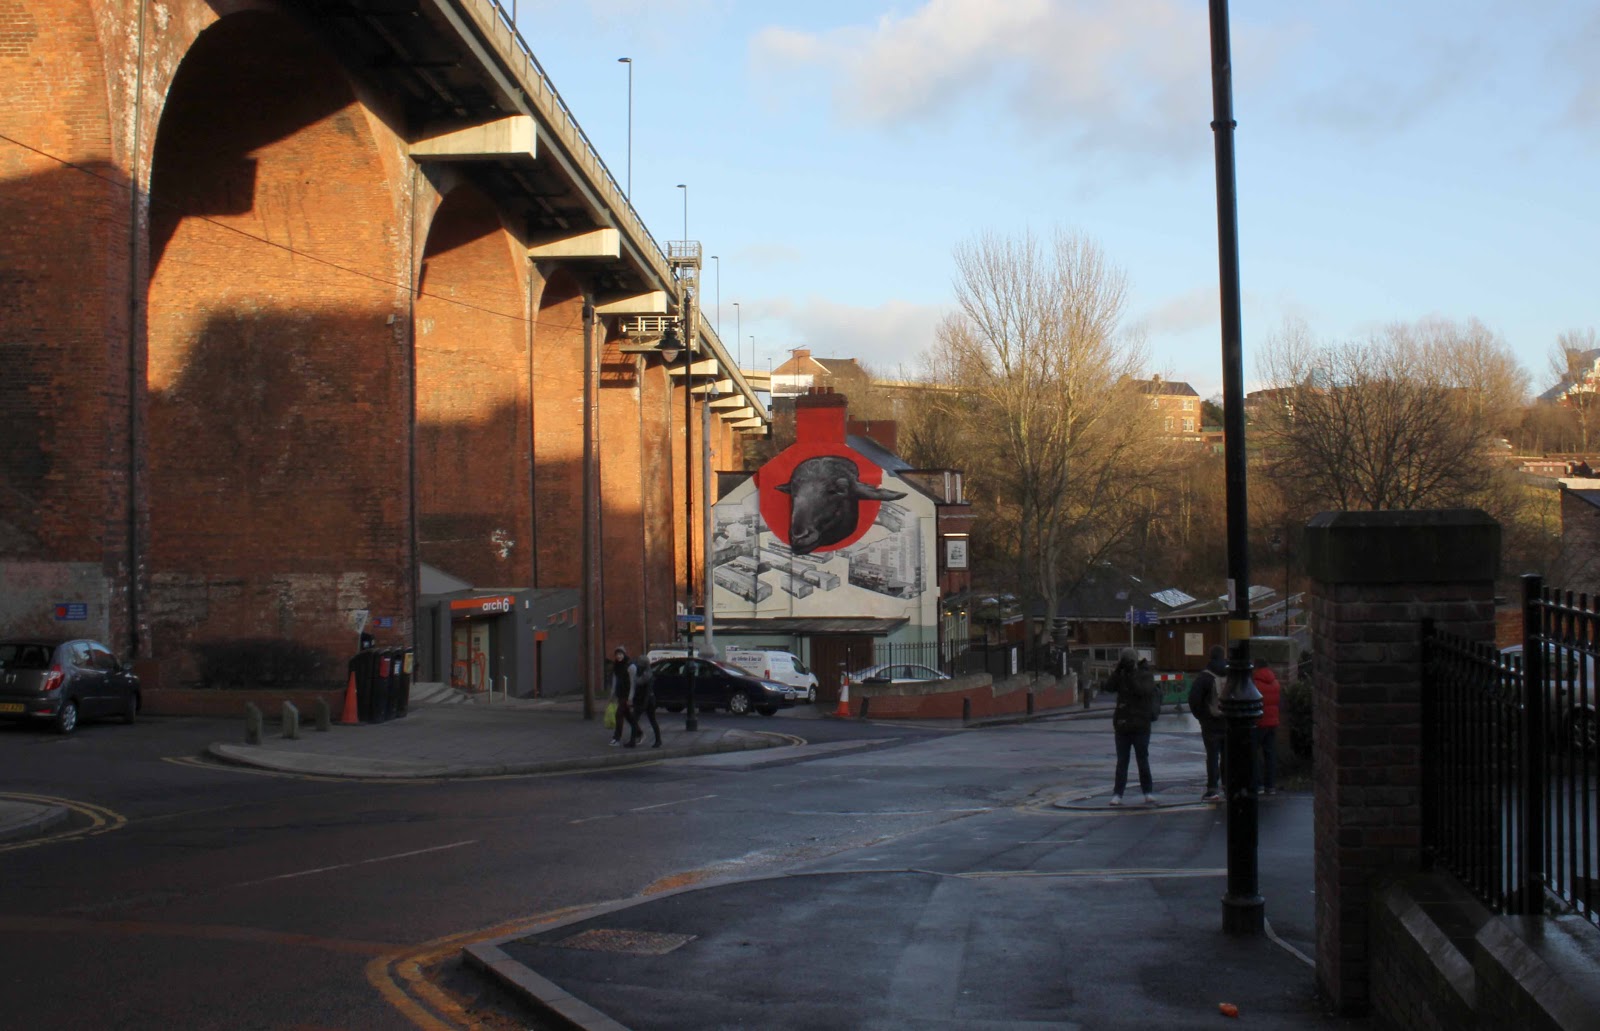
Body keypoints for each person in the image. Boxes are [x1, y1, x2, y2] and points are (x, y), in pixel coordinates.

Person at [1107, 648, 1159, 806]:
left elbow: (1142, 691)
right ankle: (1117, 793)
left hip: (1141, 725)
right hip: (1123, 726)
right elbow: (1109, 687)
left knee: (1142, 760)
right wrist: (1118, 671)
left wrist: (1131, 675)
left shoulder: (1145, 674)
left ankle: (1148, 791)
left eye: (1129, 660)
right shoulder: (1121, 675)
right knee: (1122, 762)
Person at [1188, 644, 1228, 802]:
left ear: (1210, 656)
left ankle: (1212, 789)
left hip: (1211, 724)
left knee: (1212, 756)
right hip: (1228, 722)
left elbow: (1194, 700)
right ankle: (1227, 785)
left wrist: (1202, 717)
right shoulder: (1230, 673)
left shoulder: (1205, 676)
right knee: (1227, 756)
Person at [1252, 659, 1282, 795]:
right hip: (1272, 722)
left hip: (1259, 722)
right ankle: (1270, 785)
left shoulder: (1254, 683)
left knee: (1253, 753)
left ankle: (1258, 784)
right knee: (1270, 754)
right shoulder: (1275, 682)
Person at [623, 651, 661, 749]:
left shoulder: (647, 676)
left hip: (646, 701)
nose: (638, 665)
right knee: (637, 720)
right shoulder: (644, 673)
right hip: (642, 700)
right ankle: (633, 741)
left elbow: (647, 692)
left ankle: (657, 740)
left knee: (648, 720)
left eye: (640, 664)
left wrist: (644, 704)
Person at [609, 647, 634, 746]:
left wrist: (630, 698)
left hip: (627, 694)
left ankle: (617, 738)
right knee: (628, 716)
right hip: (620, 694)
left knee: (619, 714)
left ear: (624, 654)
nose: (619, 656)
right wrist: (612, 694)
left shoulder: (630, 666)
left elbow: (633, 683)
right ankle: (639, 733)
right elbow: (615, 681)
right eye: (617, 654)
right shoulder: (616, 666)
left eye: (620, 654)